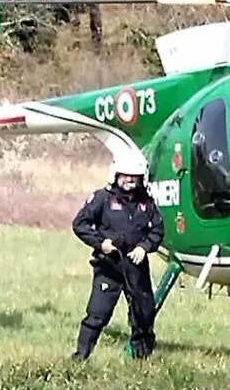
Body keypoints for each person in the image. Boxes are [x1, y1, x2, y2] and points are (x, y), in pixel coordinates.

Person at [70, 152, 164, 360]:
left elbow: (157, 230)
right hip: (109, 265)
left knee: (144, 312)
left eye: (134, 176)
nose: (130, 180)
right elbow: (80, 224)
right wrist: (100, 243)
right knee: (98, 313)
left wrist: (144, 247)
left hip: (136, 266)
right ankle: (81, 356)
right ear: (116, 175)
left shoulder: (147, 203)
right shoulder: (101, 198)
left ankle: (142, 358)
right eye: (125, 176)